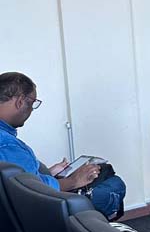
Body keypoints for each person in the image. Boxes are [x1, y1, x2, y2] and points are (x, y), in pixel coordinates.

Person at [0, 72, 126, 218]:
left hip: (13, 211)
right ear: (20, 102)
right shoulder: (8, 145)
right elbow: (33, 192)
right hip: (36, 212)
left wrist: (48, 173)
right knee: (114, 185)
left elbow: (18, 179)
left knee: (104, 171)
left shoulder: (7, 141)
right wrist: (73, 181)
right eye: (33, 103)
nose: (31, 111)